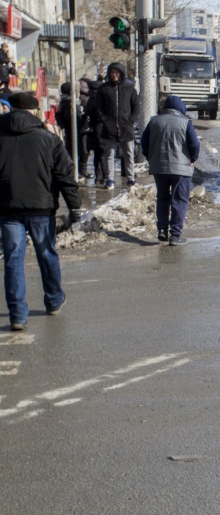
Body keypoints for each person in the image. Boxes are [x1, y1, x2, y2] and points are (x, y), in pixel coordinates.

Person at [0, 91, 81, 332]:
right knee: (46, 254)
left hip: (8, 208)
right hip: (41, 207)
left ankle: (17, 314)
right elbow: (65, 174)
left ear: (11, 109)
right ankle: (54, 300)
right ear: (35, 111)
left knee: (13, 260)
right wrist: (75, 206)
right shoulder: (48, 139)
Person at [141, 95, 199, 245]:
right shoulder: (185, 123)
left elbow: (144, 142)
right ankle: (175, 234)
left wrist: (150, 157)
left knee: (162, 198)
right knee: (179, 200)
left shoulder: (154, 121)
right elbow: (194, 144)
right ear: (181, 108)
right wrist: (192, 159)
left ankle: (162, 230)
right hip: (181, 169)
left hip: (159, 167)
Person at [86, 62, 138, 190]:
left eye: (117, 72)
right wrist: (104, 120)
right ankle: (109, 179)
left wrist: (130, 120)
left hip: (126, 127)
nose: (114, 75)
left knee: (129, 153)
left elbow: (136, 106)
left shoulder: (129, 87)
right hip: (109, 127)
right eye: (112, 73)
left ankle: (131, 178)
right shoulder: (104, 88)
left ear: (121, 73)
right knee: (109, 153)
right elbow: (98, 106)